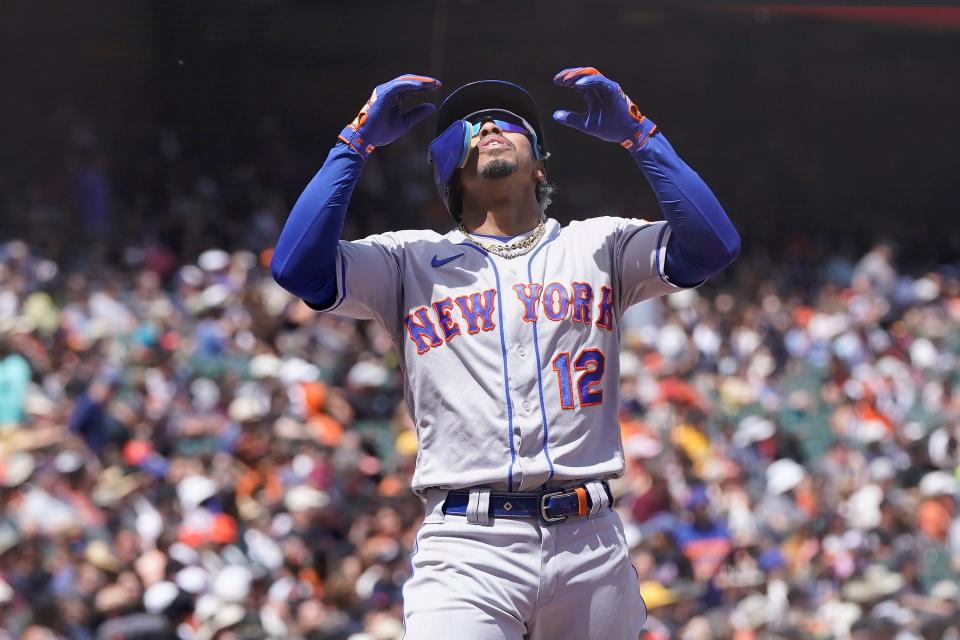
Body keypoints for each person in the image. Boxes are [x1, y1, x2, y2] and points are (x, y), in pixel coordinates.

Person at [271, 67, 740, 640]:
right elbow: (297, 266)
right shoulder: (406, 260)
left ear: (540, 162)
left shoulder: (598, 244)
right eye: (470, 125)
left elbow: (713, 245)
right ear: (448, 166)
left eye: (512, 122)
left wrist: (641, 135)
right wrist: (356, 142)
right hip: (467, 546)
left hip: (589, 539)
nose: (490, 124)